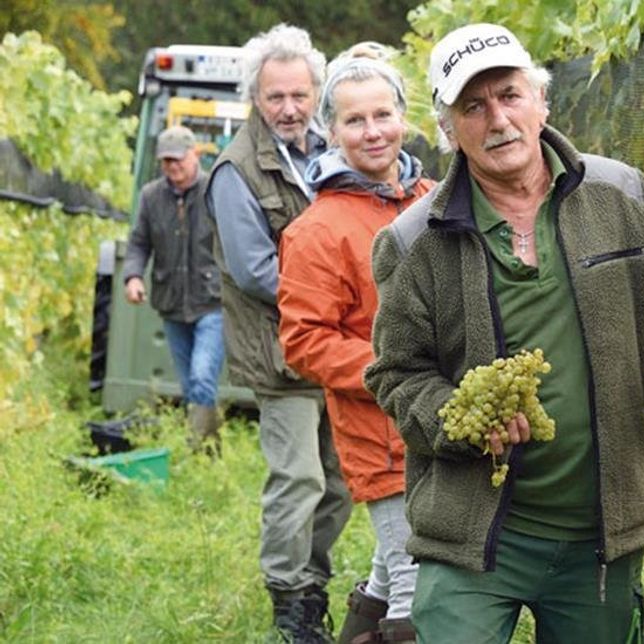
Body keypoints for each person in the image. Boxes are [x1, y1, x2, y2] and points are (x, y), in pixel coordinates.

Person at [363, 23, 644, 644]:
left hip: (598, 536)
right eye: (472, 107)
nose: (497, 118)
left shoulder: (621, 194)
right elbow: (397, 375)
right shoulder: (412, 243)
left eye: (509, 94)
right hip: (474, 534)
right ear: (448, 130)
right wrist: (462, 418)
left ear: (541, 101)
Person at [277, 45, 434, 644]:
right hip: (383, 435)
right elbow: (304, 341)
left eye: (382, 114)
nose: (373, 132)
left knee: (386, 575)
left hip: (442, 423)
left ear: (403, 115)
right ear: (331, 131)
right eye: (354, 120)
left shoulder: (436, 199)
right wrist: (396, 370)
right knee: (418, 589)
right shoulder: (317, 230)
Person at [205, 23, 352, 643]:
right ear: (255, 100)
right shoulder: (234, 170)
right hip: (283, 351)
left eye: (299, 95)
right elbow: (254, 270)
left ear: (315, 92)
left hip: (337, 350)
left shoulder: (332, 150)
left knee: (342, 481)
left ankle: (312, 585)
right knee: (299, 479)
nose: (289, 109)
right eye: (275, 98)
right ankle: (288, 600)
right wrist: (337, 301)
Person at [121, 125, 224, 451]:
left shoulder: (216, 191)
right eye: (166, 162)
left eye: (178, 160)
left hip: (212, 302)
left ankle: (197, 453)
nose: (172, 168)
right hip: (172, 303)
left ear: (194, 155)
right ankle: (210, 450)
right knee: (188, 383)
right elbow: (139, 243)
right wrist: (133, 276)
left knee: (202, 377)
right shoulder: (152, 196)